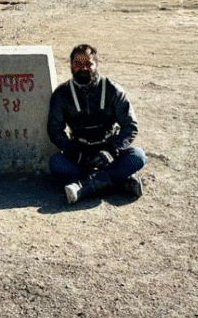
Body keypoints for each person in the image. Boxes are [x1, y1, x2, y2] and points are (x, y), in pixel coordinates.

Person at [48, 44, 147, 205]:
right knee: (56, 163)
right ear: (71, 66)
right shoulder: (61, 94)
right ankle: (120, 181)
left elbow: (130, 126)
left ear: (96, 64)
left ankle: (84, 187)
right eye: (78, 64)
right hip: (80, 155)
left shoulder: (113, 90)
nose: (83, 68)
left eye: (88, 64)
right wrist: (76, 154)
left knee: (138, 156)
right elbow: (54, 130)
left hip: (109, 153)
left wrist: (114, 150)